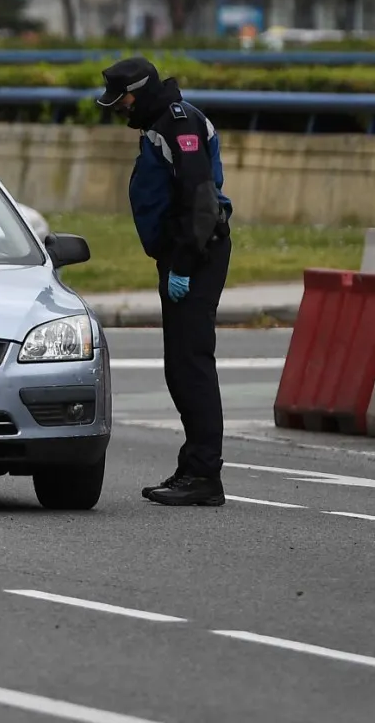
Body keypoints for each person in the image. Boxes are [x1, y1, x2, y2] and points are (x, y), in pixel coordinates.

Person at [97, 56, 232, 507]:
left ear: (140, 92)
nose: (121, 110)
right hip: (181, 256)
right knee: (180, 364)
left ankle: (203, 475)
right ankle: (194, 466)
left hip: (195, 255)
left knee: (190, 363)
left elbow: (200, 203)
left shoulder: (180, 126)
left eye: (123, 101)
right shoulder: (161, 126)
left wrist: (184, 266)